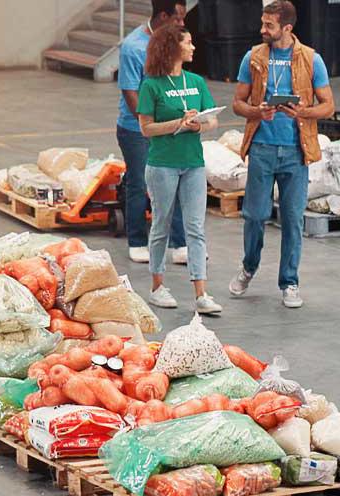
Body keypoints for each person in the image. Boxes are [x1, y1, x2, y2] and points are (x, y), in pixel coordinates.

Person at [227, 0, 334, 309]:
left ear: (287, 28)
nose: (262, 29)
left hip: (295, 151)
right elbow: (238, 102)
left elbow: (328, 104)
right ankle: (249, 267)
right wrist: (256, 112)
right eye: (263, 23)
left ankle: (289, 282)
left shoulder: (311, 59)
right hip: (261, 147)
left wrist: (304, 111)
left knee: (291, 219)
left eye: (269, 25)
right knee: (255, 215)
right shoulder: (254, 57)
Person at [136, 26, 222, 315]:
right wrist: (177, 125)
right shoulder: (151, 85)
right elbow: (146, 129)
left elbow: (212, 122)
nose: (193, 47)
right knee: (161, 224)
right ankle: (157, 287)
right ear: (173, 48)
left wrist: (199, 124)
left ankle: (201, 293)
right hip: (162, 165)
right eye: (189, 42)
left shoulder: (196, 81)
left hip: (193, 163)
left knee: (196, 227)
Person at [116, 0, 189, 267]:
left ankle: (179, 243)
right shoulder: (132, 47)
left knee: (175, 180)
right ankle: (137, 241)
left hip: (169, 125)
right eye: (178, 18)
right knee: (139, 182)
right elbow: (129, 91)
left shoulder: (174, 42)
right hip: (135, 129)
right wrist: (148, 124)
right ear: (162, 16)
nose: (182, 24)